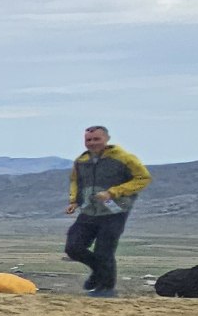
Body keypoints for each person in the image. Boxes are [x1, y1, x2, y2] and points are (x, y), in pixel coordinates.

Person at [63, 125, 150, 297]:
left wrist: (113, 192)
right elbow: (75, 181)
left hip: (115, 211)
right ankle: (98, 272)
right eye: (88, 140)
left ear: (106, 139)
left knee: (104, 251)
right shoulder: (81, 161)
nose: (92, 143)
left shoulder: (124, 158)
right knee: (73, 247)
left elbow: (143, 178)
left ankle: (106, 289)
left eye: (97, 139)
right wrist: (74, 201)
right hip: (89, 210)